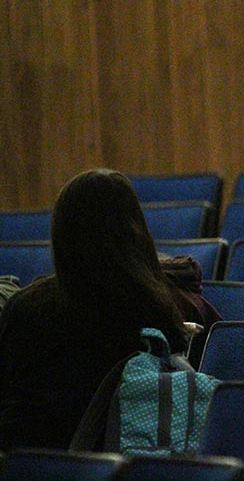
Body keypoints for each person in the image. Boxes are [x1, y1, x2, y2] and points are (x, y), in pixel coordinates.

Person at [0, 169, 207, 451]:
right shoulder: (149, 306)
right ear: (135, 230)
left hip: (19, 461)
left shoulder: (24, 306)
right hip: (101, 461)